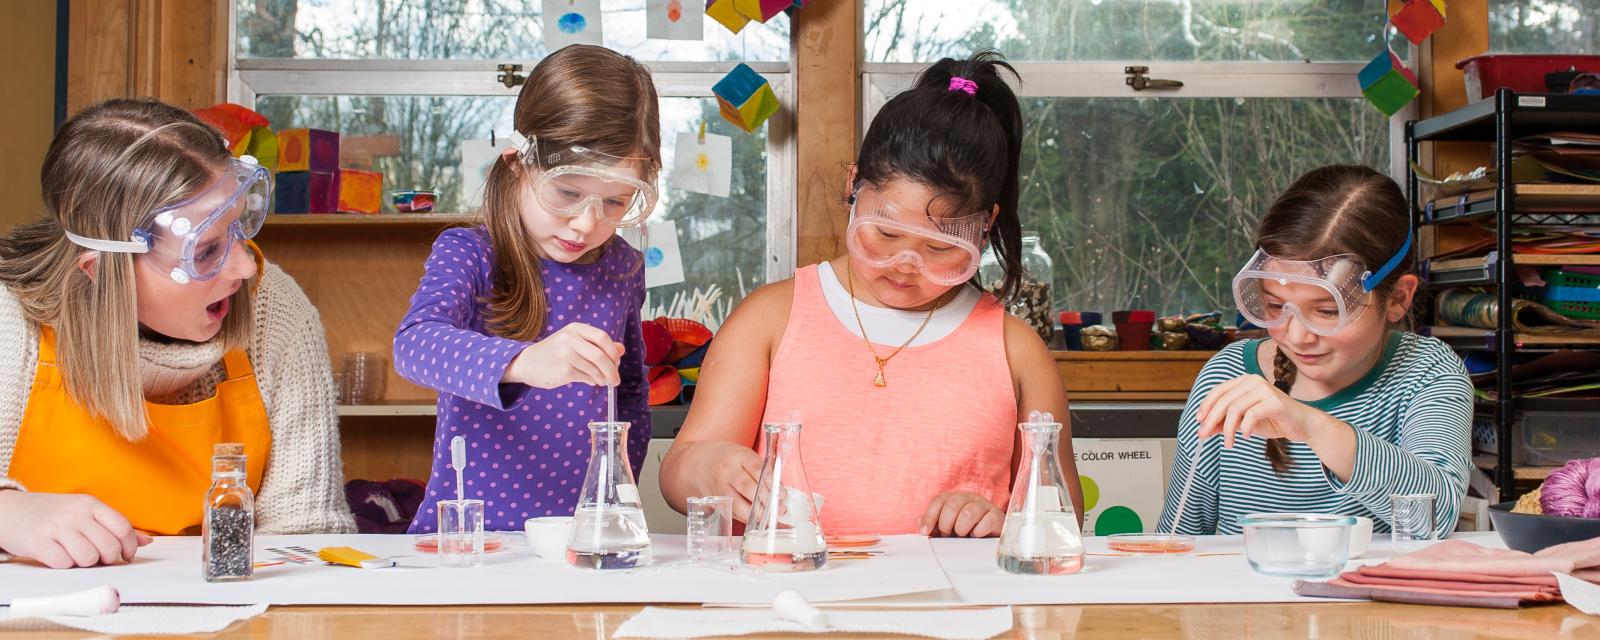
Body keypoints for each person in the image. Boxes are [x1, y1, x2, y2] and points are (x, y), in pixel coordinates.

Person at [659, 51, 1084, 538]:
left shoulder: (1015, 351)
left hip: (955, 605)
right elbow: (677, 473)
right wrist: (707, 467)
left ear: (983, 229)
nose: (905, 265)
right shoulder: (771, 318)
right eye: (884, 234)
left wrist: (1000, 521)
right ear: (852, 188)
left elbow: (1063, 518)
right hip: (786, 601)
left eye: (941, 248)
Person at [0, 98, 355, 569]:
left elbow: (307, 536)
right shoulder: (10, 323)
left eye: (240, 229)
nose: (246, 267)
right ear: (101, 269)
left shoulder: (276, 311)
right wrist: (8, 513)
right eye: (206, 250)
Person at [395, 45, 658, 533]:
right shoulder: (471, 252)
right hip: (468, 538)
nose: (586, 224)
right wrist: (524, 362)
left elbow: (630, 398)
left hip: (580, 533)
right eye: (567, 193)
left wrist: (617, 498)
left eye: (616, 202)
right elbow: (413, 345)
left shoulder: (622, 266)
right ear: (517, 161)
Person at [1156, 165, 1471, 538]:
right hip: (1239, 595)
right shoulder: (1229, 375)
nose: (1297, 335)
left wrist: (1310, 425)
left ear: (1398, 299)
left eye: (1327, 310)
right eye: (1275, 306)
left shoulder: (1427, 374)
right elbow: (1177, 538)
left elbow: (1433, 519)